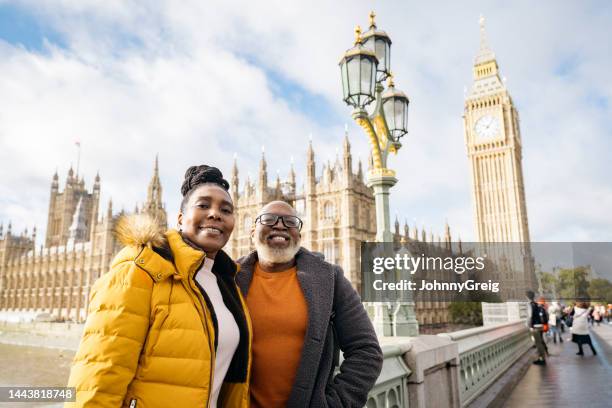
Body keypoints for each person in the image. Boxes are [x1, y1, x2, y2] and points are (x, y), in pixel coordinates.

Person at [66, 165, 251, 407]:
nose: (215, 214)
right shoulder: (139, 269)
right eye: (203, 205)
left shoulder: (230, 285)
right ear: (180, 218)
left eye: (225, 209)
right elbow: (98, 374)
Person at [236, 200, 383, 407]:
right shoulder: (228, 278)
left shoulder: (330, 279)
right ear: (252, 232)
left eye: (291, 222)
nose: (280, 226)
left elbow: (367, 351)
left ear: (300, 235)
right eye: (268, 219)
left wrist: (335, 404)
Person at [526, 290, 547, 365]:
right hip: (540, 325)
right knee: (540, 342)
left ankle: (542, 359)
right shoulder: (536, 304)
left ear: (527, 297)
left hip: (535, 326)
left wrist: (529, 325)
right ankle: (541, 358)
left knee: (538, 343)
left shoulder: (530, 305)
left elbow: (530, 316)